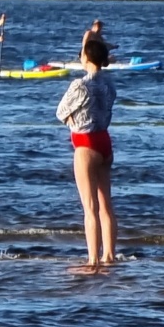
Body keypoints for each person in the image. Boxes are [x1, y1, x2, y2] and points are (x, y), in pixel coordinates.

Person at [56, 36, 119, 269]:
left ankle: (93, 260)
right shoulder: (109, 84)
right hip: (104, 141)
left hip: (85, 144)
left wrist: (72, 119)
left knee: (89, 207)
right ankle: (109, 256)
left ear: (86, 57)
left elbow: (60, 112)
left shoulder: (79, 85)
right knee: (106, 205)